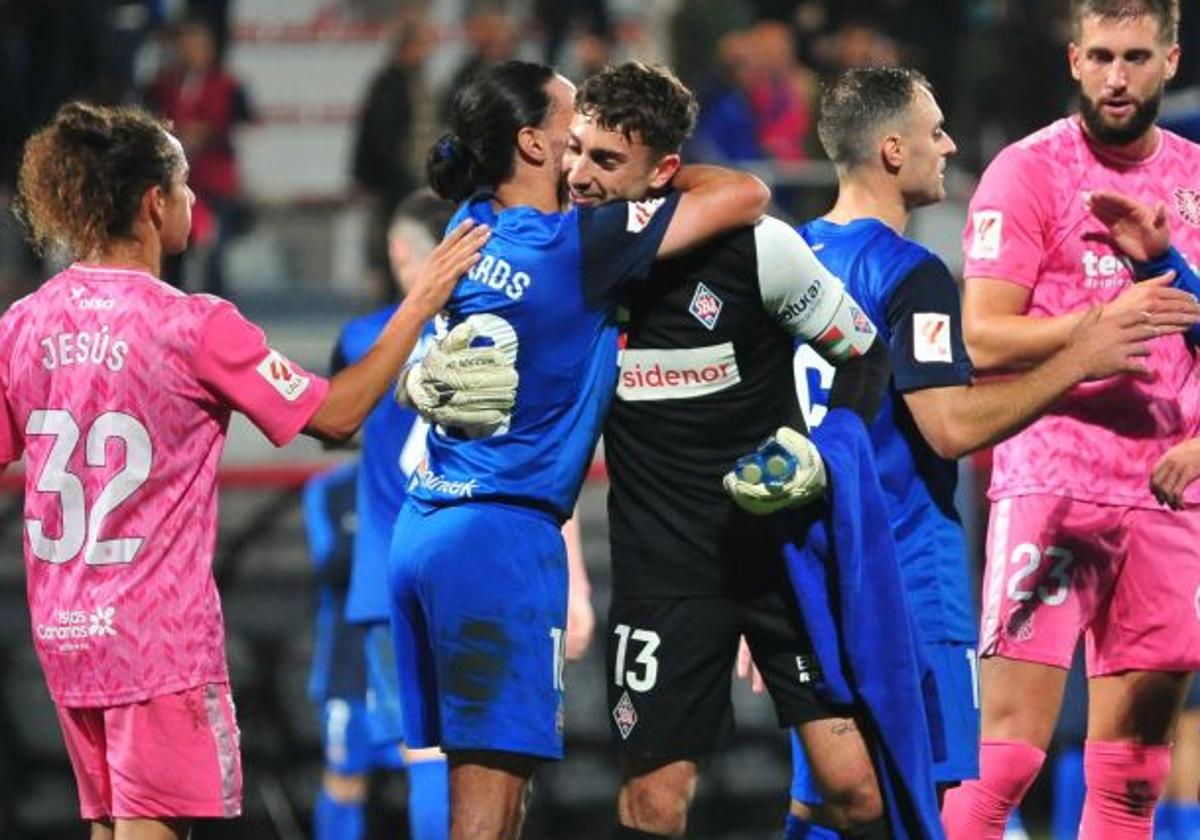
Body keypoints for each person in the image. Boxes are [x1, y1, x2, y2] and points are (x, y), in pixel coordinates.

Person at [1, 101, 486, 840]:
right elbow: (337, 415)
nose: (196, 199)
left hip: (65, 631)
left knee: (105, 829)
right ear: (153, 201)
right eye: (186, 183)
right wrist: (419, 303)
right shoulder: (195, 326)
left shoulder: (23, 323)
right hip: (155, 641)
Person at [782, 66, 1167, 840]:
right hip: (902, 575)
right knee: (925, 806)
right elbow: (949, 427)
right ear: (893, 151)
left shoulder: (788, 258)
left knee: (827, 804)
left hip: (811, 569)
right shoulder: (911, 273)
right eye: (934, 133)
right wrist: (1076, 360)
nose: (949, 146)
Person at [388, 60, 770, 840]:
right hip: (500, 539)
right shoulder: (582, 244)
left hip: (426, 522)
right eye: (572, 121)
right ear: (532, 142)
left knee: (487, 793)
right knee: (486, 818)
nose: (582, 132)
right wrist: (659, 170)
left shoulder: (469, 220)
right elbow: (745, 193)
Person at [939, 2, 1200, 837]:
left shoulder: (1196, 179)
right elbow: (981, 334)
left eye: (1134, 57)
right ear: (1073, 60)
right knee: (1006, 761)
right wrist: (1095, 332)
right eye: (1099, 57)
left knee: (1131, 777)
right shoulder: (1029, 170)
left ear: (1170, 59)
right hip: (1052, 485)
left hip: (1167, 496)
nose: (1115, 77)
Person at [303, 461, 405, 840]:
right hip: (346, 666)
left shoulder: (427, 473)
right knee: (345, 780)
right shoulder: (329, 488)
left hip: (407, 662)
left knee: (431, 770)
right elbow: (327, 561)